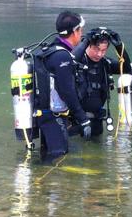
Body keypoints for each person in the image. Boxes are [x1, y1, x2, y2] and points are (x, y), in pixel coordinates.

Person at [32, 11, 91, 161]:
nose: (81, 34)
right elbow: (67, 91)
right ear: (75, 31)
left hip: (44, 114)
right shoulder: (62, 56)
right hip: (53, 117)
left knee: (47, 156)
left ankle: (38, 175)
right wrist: (83, 118)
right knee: (58, 157)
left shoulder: (52, 49)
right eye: (80, 30)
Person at [72, 27, 131, 138]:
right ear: (88, 46)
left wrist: (119, 46)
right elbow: (71, 61)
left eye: (103, 51)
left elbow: (127, 69)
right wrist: (86, 40)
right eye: (96, 49)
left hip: (97, 121)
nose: (99, 54)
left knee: (96, 147)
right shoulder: (78, 61)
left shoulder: (105, 63)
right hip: (76, 120)